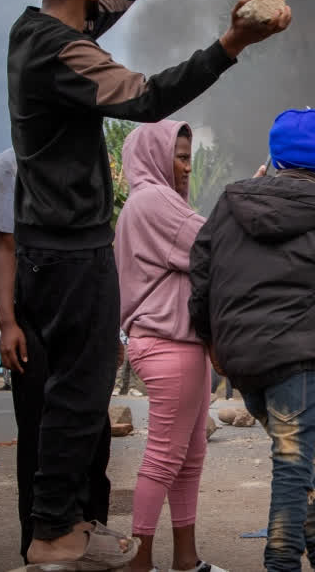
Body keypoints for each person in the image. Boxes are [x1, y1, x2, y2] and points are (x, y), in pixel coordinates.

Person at [8, 0, 290, 567]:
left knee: (73, 392)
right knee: (79, 393)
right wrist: (231, 42)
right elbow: (148, 96)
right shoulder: (62, 53)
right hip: (71, 247)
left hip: (48, 245)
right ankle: (54, 527)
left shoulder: (32, 31)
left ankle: (69, 520)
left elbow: (95, 12)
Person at [189, 108, 315, 572]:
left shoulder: (231, 201)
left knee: (294, 460)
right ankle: (281, 562)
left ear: (274, 156)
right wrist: (309, 314)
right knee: (291, 463)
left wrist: (212, 340)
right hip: (294, 355)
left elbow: (201, 273)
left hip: (239, 358)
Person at [0, 148, 114, 567]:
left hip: (87, 306)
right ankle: (39, 544)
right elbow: (5, 246)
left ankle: (92, 533)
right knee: (40, 428)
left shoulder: (91, 156)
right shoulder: (12, 162)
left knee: (93, 426)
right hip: (35, 313)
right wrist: (8, 323)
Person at [114, 120, 216, 572]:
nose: (186, 168)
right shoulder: (154, 200)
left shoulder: (155, 201)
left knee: (189, 456)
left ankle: (186, 560)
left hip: (181, 345)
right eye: (179, 156)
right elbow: (216, 243)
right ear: (154, 156)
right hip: (168, 344)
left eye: (189, 158)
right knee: (164, 458)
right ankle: (139, 563)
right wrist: (250, 201)